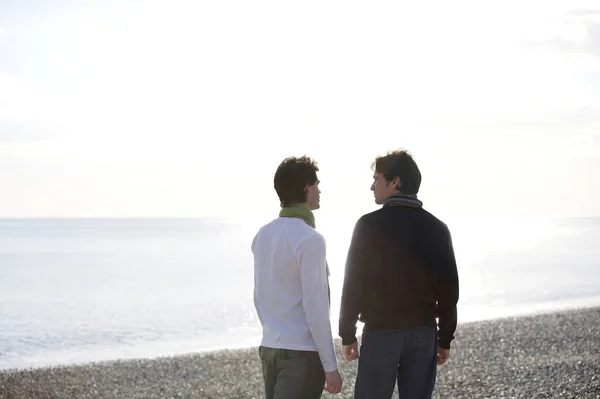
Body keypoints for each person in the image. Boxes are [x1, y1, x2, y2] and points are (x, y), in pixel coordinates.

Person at [338, 149, 459, 399]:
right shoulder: (438, 229)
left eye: (377, 179)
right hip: (423, 335)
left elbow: (353, 284)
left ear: (395, 182)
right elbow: (449, 290)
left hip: (382, 332)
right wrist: (445, 337)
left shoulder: (368, 225)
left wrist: (347, 333)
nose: (372, 187)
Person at [252, 155, 343, 398]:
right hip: (302, 354)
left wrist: (274, 331)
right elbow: (316, 309)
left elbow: (259, 297)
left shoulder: (263, 235)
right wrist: (331, 366)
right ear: (306, 187)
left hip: (270, 347)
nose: (319, 190)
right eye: (316, 184)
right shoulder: (310, 239)